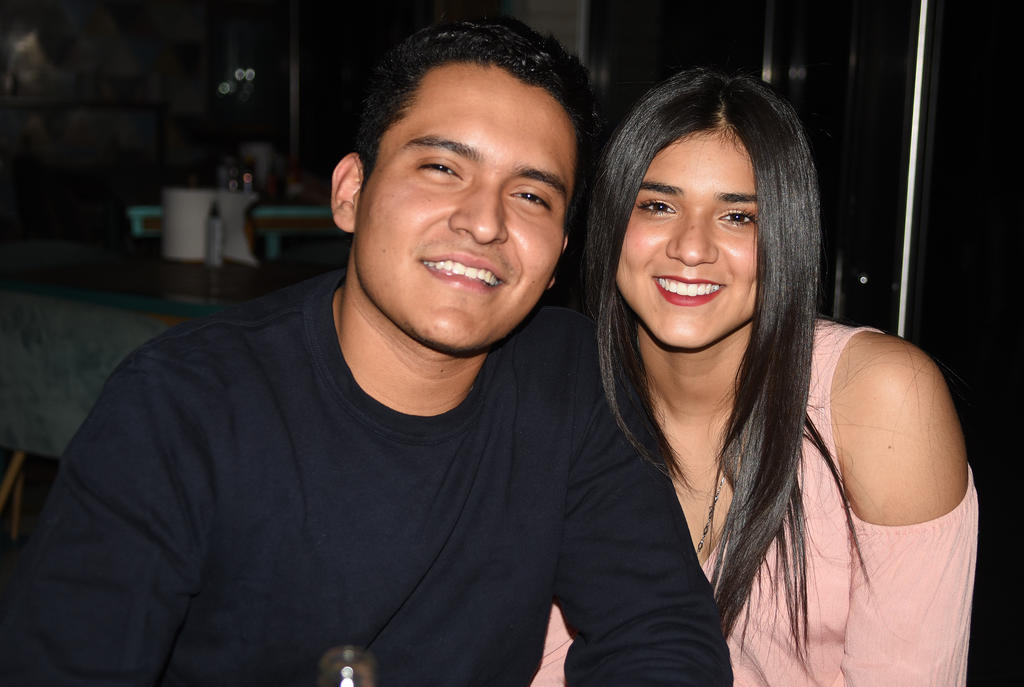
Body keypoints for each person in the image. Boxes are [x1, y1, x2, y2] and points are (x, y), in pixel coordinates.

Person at [0, 20, 732, 687]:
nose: (484, 222)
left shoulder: (569, 379)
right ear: (351, 191)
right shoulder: (182, 406)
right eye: (442, 168)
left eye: (531, 196)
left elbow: (659, 636)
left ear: (559, 252)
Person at [533, 67, 977, 685]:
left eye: (738, 217)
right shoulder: (550, 395)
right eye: (658, 206)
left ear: (787, 234)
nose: (692, 247)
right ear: (609, 224)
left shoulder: (877, 398)